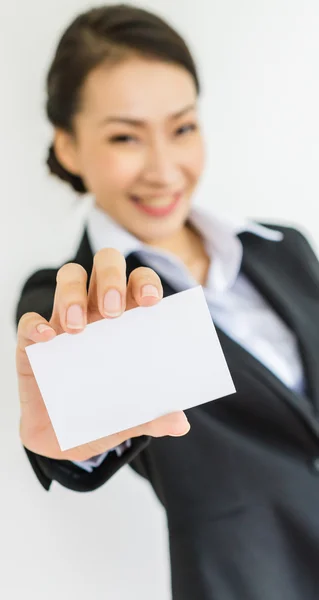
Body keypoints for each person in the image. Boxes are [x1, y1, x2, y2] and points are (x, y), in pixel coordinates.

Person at [15, 4, 319, 600]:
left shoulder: (284, 248)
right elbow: (86, 437)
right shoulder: (67, 299)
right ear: (69, 147)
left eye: (182, 128)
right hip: (251, 582)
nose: (163, 169)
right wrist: (74, 447)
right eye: (125, 136)